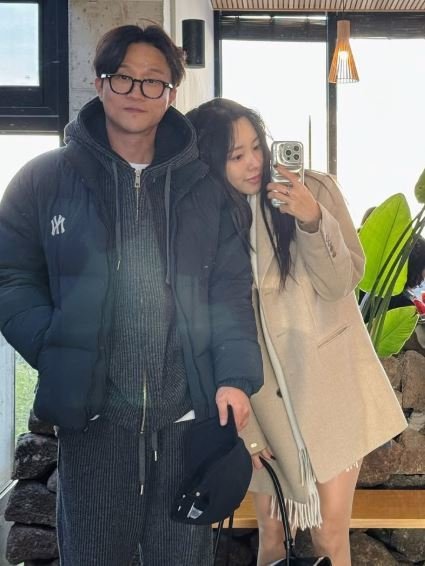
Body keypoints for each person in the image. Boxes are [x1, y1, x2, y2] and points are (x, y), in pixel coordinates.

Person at [0, 28, 263, 566]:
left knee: (182, 557)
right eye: (123, 77)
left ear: (171, 93)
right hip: (93, 419)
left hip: (186, 415)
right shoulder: (46, 179)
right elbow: (10, 275)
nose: (136, 92)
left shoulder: (204, 189)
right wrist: (54, 346)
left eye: (152, 81)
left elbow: (230, 290)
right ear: (99, 83)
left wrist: (235, 377)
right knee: (93, 555)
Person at [187, 98, 407, 566]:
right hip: (264, 403)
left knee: (330, 535)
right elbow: (212, 327)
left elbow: (341, 283)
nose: (253, 162)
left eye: (256, 147)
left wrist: (311, 219)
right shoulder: (209, 219)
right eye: (235, 155)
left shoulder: (315, 189)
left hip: (329, 391)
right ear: (209, 161)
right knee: (273, 533)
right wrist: (248, 433)